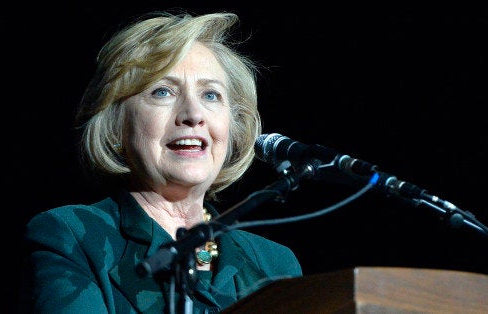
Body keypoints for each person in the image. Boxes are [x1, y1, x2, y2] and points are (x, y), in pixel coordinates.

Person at [18, 10, 303, 313]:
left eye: (210, 95)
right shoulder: (71, 236)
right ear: (116, 125)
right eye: (162, 92)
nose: (193, 114)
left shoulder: (275, 263)